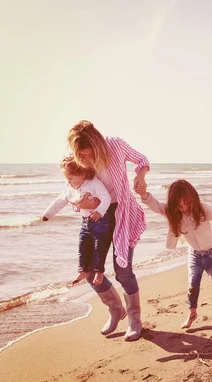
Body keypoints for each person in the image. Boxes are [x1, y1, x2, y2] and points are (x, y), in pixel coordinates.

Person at [67, 120, 150, 341]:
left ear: (97, 144)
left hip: (122, 213)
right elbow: (72, 189)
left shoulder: (115, 145)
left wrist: (140, 177)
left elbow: (142, 160)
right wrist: (79, 204)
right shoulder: (80, 160)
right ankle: (115, 309)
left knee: (123, 270)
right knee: (89, 272)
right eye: (80, 156)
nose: (85, 160)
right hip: (96, 217)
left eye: (87, 154)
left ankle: (134, 319)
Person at [135, 179, 212, 329]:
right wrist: (143, 194)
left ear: (193, 199)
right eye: (180, 206)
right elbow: (155, 205)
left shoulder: (202, 209)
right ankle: (192, 312)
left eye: (187, 204)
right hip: (194, 254)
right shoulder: (172, 212)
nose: (184, 208)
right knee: (192, 284)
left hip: (211, 251)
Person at [41, 155, 112, 286]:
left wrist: (99, 212)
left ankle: (99, 272)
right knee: (82, 245)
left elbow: (106, 198)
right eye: (67, 179)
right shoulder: (71, 189)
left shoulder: (94, 184)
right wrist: (47, 215)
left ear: (82, 174)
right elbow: (60, 200)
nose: (68, 182)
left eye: (71, 178)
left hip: (100, 222)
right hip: (85, 223)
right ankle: (82, 270)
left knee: (99, 248)